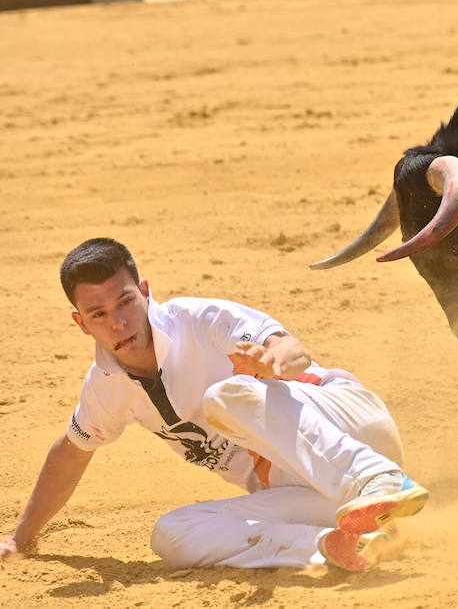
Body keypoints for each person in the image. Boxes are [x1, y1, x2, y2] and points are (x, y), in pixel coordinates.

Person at [0, 238, 428, 571]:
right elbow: (71, 453)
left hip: (349, 429)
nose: (118, 322)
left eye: (126, 301)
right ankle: (340, 545)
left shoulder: (199, 320)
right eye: (98, 314)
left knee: (225, 397)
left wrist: (272, 363)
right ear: (80, 322)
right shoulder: (105, 387)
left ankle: (381, 481)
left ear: (145, 292)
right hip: (302, 488)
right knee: (173, 533)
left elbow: (290, 349)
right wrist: (20, 539)